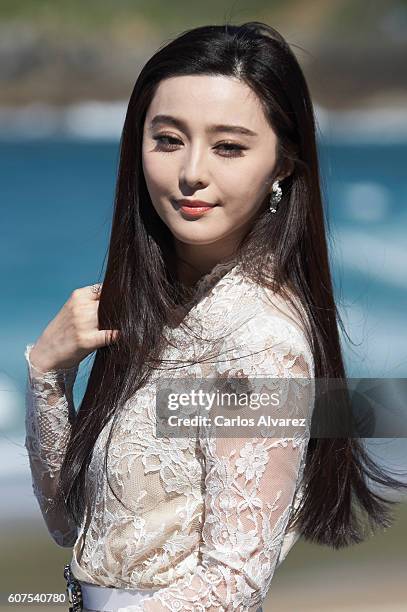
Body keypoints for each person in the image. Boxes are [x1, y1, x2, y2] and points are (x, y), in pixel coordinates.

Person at [24, 21, 407, 612]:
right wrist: (48, 374)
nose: (192, 172)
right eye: (169, 139)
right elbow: (79, 530)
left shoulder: (258, 343)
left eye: (229, 146)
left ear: (282, 164)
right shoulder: (158, 312)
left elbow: (231, 586)